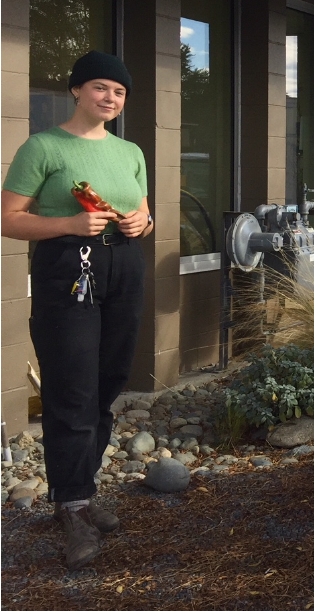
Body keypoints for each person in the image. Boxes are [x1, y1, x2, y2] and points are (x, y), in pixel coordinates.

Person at [0, 51, 152, 570]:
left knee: (109, 381)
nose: (110, 98)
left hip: (124, 266)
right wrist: (66, 225)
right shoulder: (42, 146)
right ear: (76, 91)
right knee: (72, 386)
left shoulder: (130, 151)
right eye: (100, 88)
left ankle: (82, 491)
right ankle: (72, 506)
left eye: (119, 92)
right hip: (69, 268)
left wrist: (140, 224)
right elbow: (9, 219)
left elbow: (143, 210)